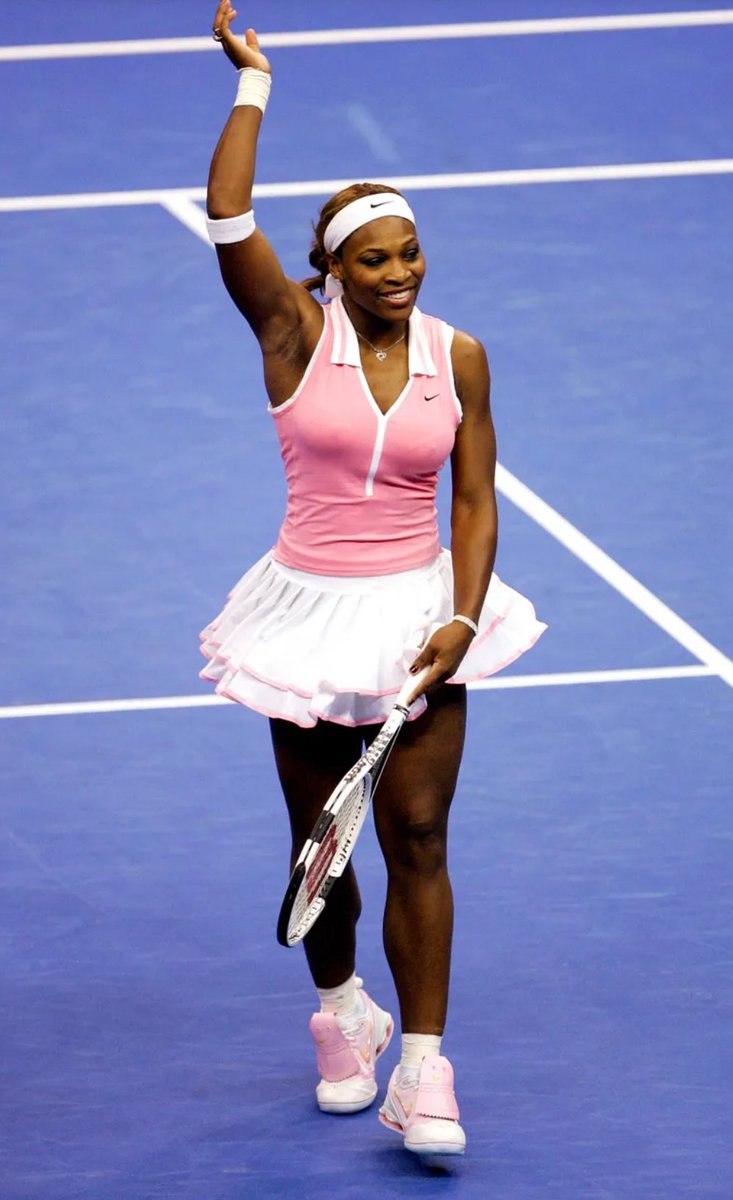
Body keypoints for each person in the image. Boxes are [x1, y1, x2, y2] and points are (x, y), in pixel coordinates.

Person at [200, 2, 546, 1158]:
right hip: (304, 619)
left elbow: (475, 497)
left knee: (422, 835)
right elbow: (228, 216)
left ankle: (425, 1073)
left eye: (407, 251)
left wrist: (457, 613)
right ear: (330, 271)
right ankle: (343, 1012)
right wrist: (252, 86)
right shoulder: (292, 336)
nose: (399, 272)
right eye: (373, 259)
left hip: (417, 613)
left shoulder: (464, 355)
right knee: (323, 855)